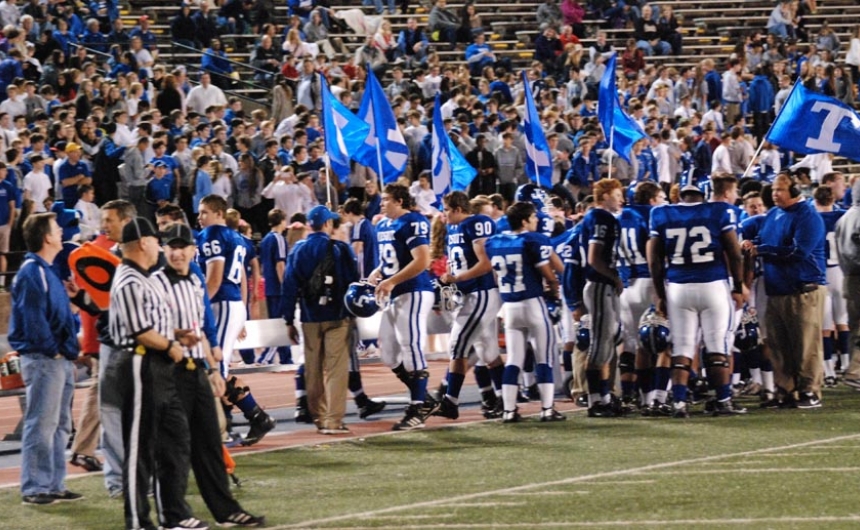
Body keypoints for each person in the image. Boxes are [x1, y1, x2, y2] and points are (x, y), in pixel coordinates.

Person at [153, 222, 266, 527]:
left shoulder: (194, 279)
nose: (177, 253)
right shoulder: (157, 283)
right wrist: (178, 336)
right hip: (167, 372)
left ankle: (226, 510)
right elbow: (148, 330)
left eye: (182, 247)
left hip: (194, 370)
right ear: (165, 249)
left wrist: (214, 368)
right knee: (174, 447)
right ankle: (173, 516)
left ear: (193, 250)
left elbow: (201, 326)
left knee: (209, 441)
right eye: (171, 247)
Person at [109, 217, 206, 530]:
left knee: (176, 440)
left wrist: (177, 335)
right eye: (155, 240)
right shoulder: (129, 280)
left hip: (159, 365)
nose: (160, 247)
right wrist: (171, 346)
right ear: (143, 243)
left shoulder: (144, 277)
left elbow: (152, 324)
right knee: (140, 449)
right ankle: (138, 521)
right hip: (140, 364)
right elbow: (140, 331)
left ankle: (174, 514)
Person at [648, 183, 747, 418]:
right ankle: (722, 399)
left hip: (678, 287)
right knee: (717, 345)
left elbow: (654, 260)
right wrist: (738, 286)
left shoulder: (662, 213)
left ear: (680, 194)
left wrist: (661, 294)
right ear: (704, 193)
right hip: (713, 284)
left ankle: (679, 403)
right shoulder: (719, 210)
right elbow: (734, 253)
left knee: (682, 346)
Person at [10, 213, 82, 505]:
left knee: (59, 424)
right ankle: (35, 486)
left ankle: (53, 483)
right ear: (47, 237)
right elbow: (33, 318)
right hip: (44, 358)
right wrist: (53, 349)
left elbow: (57, 315)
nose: (61, 231)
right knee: (42, 422)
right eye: (56, 228)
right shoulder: (32, 271)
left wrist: (72, 300)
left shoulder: (47, 270)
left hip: (57, 358)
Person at [196, 194, 276, 445]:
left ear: (219, 213)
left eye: (204, 212)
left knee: (214, 367)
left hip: (220, 301)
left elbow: (215, 278)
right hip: (230, 304)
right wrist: (240, 310)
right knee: (216, 367)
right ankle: (253, 416)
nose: (200, 218)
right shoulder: (236, 237)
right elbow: (242, 275)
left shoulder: (212, 235)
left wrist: (197, 308)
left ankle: (221, 426)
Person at [485, 201, 565, 423]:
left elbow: (494, 275)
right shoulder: (532, 240)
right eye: (533, 217)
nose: (537, 220)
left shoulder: (494, 242)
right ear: (523, 220)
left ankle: (509, 410)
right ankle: (547, 409)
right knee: (544, 357)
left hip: (509, 307)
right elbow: (546, 272)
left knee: (513, 359)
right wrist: (554, 287)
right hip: (532, 303)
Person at [751, 172, 826, 409]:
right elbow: (760, 239)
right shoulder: (773, 214)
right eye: (773, 189)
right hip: (776, 289)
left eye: (780, 189)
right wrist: (751, 244)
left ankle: (810, 391)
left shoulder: (808, 217)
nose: (774, 194)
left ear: (795, 191)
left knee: (806, 345)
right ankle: (785, 390)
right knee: (778, 346)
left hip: (802, 289)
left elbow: (798, 252)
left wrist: (761, 249)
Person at [283, 205, 359, 434]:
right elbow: (352, 282)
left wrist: (288, 319)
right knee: (336, 369)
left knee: (313, 369)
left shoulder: (297, 249)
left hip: (309, 316)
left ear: (309, 225)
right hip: (337, 316)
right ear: (327, 224)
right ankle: (333, 421)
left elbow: (289, 285)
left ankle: (318, 417)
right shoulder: (340, 249)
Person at [368, 184, 438, 431]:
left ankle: (417, 408)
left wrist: (391, 280)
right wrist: (377, 274)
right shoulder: (383, 225)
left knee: (412, 347)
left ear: (399, 201)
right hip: (394, 293)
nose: (381, 204)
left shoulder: (414, 221)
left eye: (386, 200)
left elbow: (422, 261)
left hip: (414, 290)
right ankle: (424, 397)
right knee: (388, 352)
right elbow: (390, 259)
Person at [433, 191, 505, 420]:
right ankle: (504, 399)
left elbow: (485, 263)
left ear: (457, 209)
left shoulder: (477, 223)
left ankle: (450, 401)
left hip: (481, 293)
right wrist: (450, 278)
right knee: (488, 351)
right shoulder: (454, 229)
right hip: (469, 295)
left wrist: (458, 278)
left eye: (446, 210)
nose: (444, 215)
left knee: (457, 344)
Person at [578, 178, 625, 417]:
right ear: (605, 195)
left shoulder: (600, 218)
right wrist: (613, 276)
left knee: (608, 341)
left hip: (601, 285)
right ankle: (595, 401)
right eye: (617, 195)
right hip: (598, 284)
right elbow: (594, 258)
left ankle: (604, 398)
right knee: (599, 345)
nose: (621, 199)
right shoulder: (600, 218)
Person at [258, 208, 292, 365]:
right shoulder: (278, 239)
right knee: (279, 323)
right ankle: (266, 356)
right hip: (278, 288)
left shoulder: (265, 239)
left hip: (270, 286)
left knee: (278, 322)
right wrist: (286, 286)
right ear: (282, 221)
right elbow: (280, 264)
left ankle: (286, 357)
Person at [837, 179, 860, 390]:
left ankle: (854, 371)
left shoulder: (845, 217)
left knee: (855, 328)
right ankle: (855, 371)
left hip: (848, 277)